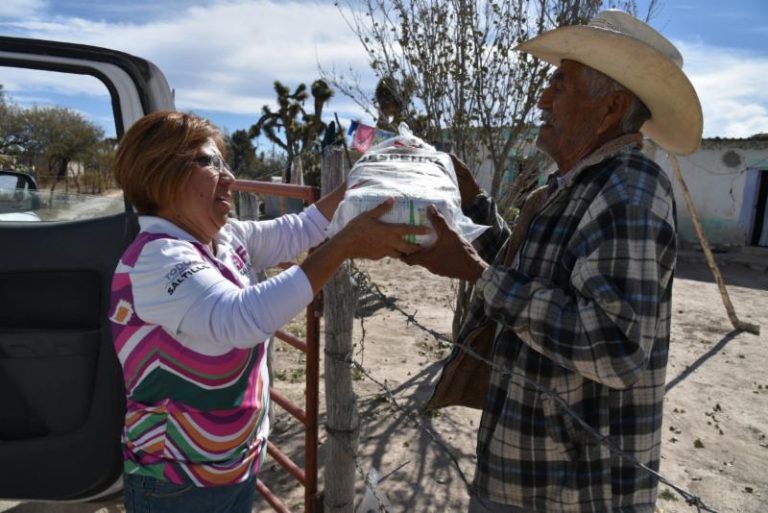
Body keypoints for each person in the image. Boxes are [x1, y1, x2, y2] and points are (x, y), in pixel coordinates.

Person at [403, 10, 702, 513]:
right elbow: (530, 272)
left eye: (559, 84)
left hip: (572, 491)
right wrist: (474, 204)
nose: (541, 98)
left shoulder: (628, 190)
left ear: (611, 107)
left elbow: (617, 346)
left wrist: (478, 274)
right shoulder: (575, 185)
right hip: (532, 475)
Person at [109, 110, 427, 513]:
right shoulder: (157, 258)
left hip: (233, 467)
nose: (228, 177)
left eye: (225, 163)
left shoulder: (223, 239)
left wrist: (370, 179)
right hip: (177, 483)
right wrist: (346, 244)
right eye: (209, 163)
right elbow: (241, 318)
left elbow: (306, 225)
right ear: (161, 174)